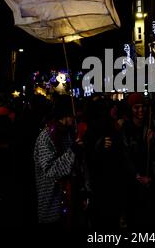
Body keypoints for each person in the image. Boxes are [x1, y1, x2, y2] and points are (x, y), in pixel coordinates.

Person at [33, 95, 90, 226]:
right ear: (64, 115)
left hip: (73, 202)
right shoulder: (46, 137)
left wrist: (85, 189)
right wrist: (73, 151)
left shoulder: (70, 133)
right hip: (53, 205)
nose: (76, 118)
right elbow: (50, 170)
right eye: (73, 115)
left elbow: (81, 165)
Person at [121, 92, 155, 228]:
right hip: (133, 181)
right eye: (136, 107)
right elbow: (125, 156)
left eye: (142, 107)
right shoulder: (125, 128)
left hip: (151, 178)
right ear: (131, 109)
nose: (141, 110)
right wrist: (138, 176)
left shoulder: (153, 124)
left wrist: (154, 142)